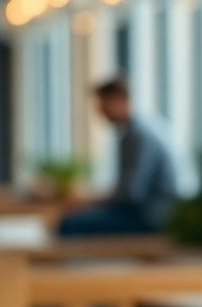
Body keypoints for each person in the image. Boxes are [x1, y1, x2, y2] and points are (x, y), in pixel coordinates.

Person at [58, 77, 178, 236]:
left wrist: (90, 201)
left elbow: (132, 194)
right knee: (75, 217)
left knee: (70, 224)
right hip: (151, 211)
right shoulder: (138, 130)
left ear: (118, 99)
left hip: (154, 216)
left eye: (102, 104)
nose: (99, 111)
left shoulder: (140, 135)